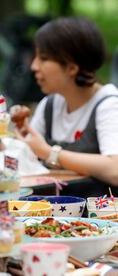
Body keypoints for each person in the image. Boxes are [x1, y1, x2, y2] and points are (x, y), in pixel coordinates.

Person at [13, 17, 118, 196]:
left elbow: (115, 170)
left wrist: (49, 153)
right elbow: (22, 159)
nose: (34, 66)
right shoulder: (50, 105)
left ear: (72, 67)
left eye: (43, 58)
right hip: (49, 218)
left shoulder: (108, 104)